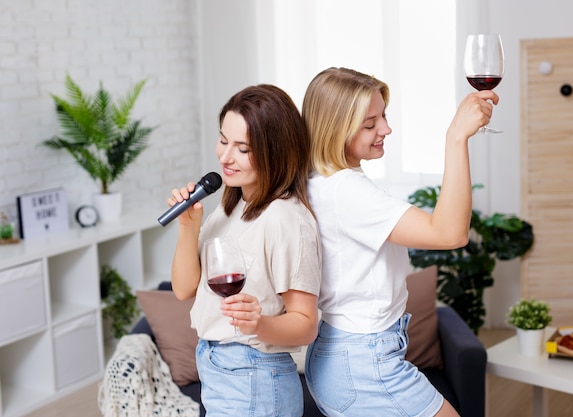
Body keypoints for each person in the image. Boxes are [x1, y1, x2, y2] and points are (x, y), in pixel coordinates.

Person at [301, 67, 499, 417]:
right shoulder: (346, 191)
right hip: (363, 363)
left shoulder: (319, 180)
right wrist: (456, 137)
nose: (386, 129)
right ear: (335, 128)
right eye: (370, 123)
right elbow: (449, 233)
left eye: (384, 116)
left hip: (339, 352)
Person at [167, 84, 321, 416]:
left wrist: (258, 323)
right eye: (223, 141)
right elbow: (183, 290)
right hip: (215, 366)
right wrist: (188, 226)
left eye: (242, 148)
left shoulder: (285, 218)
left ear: (274, 150)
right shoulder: (230, 206)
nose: (224, 157)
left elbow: (306, 324)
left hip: (253, 374)